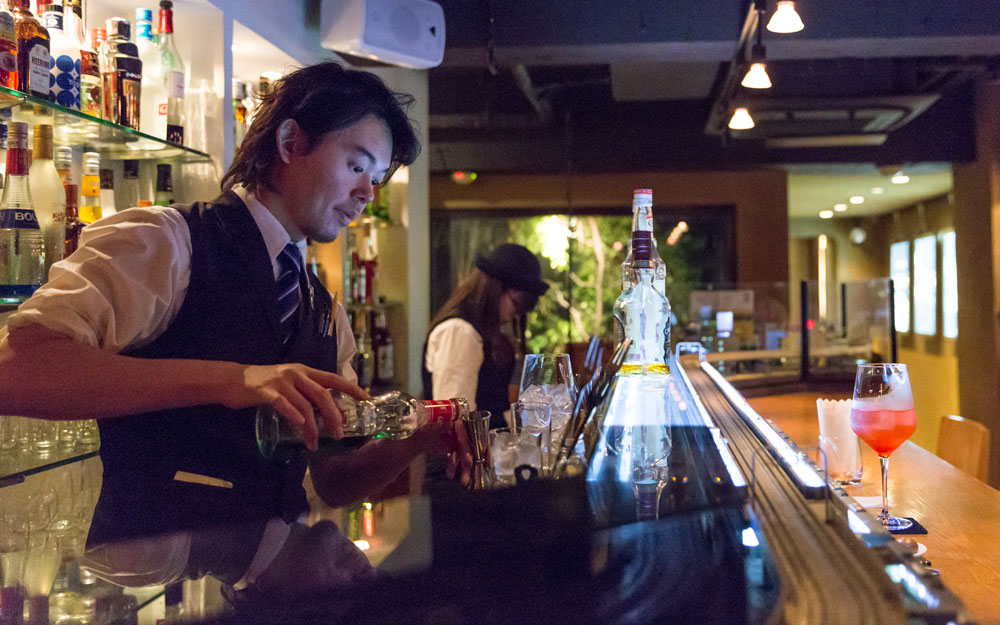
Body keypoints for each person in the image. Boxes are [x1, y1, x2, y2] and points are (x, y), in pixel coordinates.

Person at [0, 62, 470, 597]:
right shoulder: (166, 243)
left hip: (275, 599)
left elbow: (333, 482)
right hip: (151, 591)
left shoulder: (323, 310)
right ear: (291, 141)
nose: (367, 192)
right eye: (357, 165)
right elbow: (18, 372)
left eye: (376, 178)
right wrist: (233, 379)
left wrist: (414, 442)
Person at [422, 243, 549, 431]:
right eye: (517, 303)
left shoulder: (480, 331)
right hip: (468, 458)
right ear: (496, 289)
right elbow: (455, 419)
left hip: (488, 453)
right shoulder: (459, 331)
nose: (515, 314)